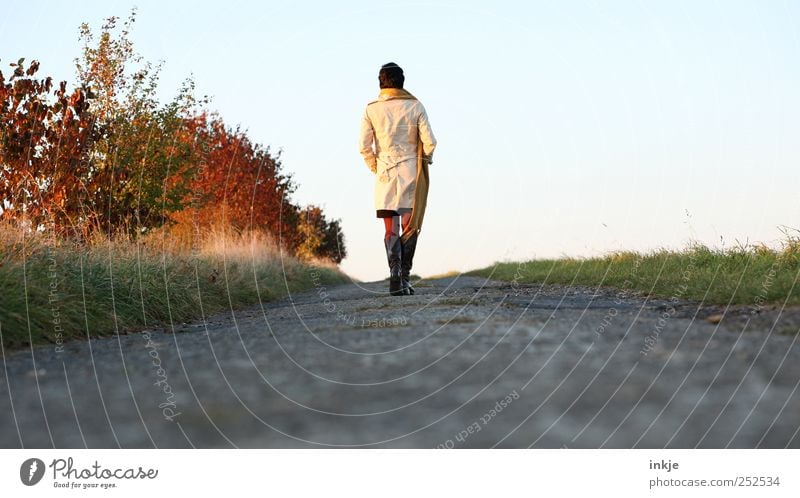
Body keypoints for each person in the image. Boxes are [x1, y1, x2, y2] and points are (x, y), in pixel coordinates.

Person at [359, 62, 437, 296]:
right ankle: (404, 276)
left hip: (385, 176)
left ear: (381, 82)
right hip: (411, 174)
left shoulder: (371, 108)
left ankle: (395, 275)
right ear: (402, 82)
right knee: (409, 226)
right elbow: (430, 142)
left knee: (390, 227)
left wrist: (376, 167)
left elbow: (363, 147)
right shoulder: (416, 106)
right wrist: (425, 162)